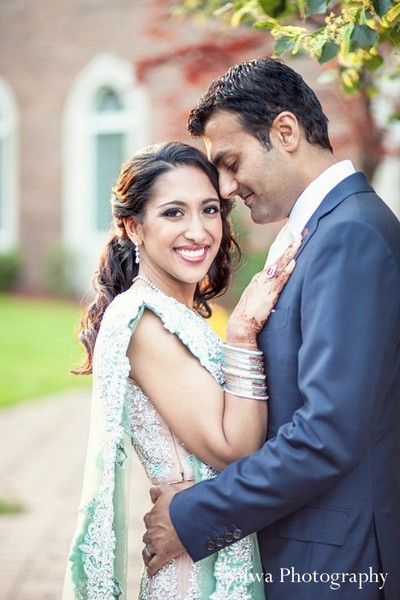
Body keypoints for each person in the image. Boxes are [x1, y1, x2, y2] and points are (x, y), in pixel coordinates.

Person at [142, 59, 400, 599]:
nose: (229, 188)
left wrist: (193, 515)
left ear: (285, 132)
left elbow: (328, 434)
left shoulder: (349, 236)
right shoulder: (322, 230)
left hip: (338, 562)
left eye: (232, 163)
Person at [62, 141, 299, 599]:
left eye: (209, 210)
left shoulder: (180, 314)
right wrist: (243, 335)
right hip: (196, 574)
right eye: (173, 213)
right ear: (134, 227)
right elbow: (233, 451)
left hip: (214, 543)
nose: (199, 231)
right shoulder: (145, 320)